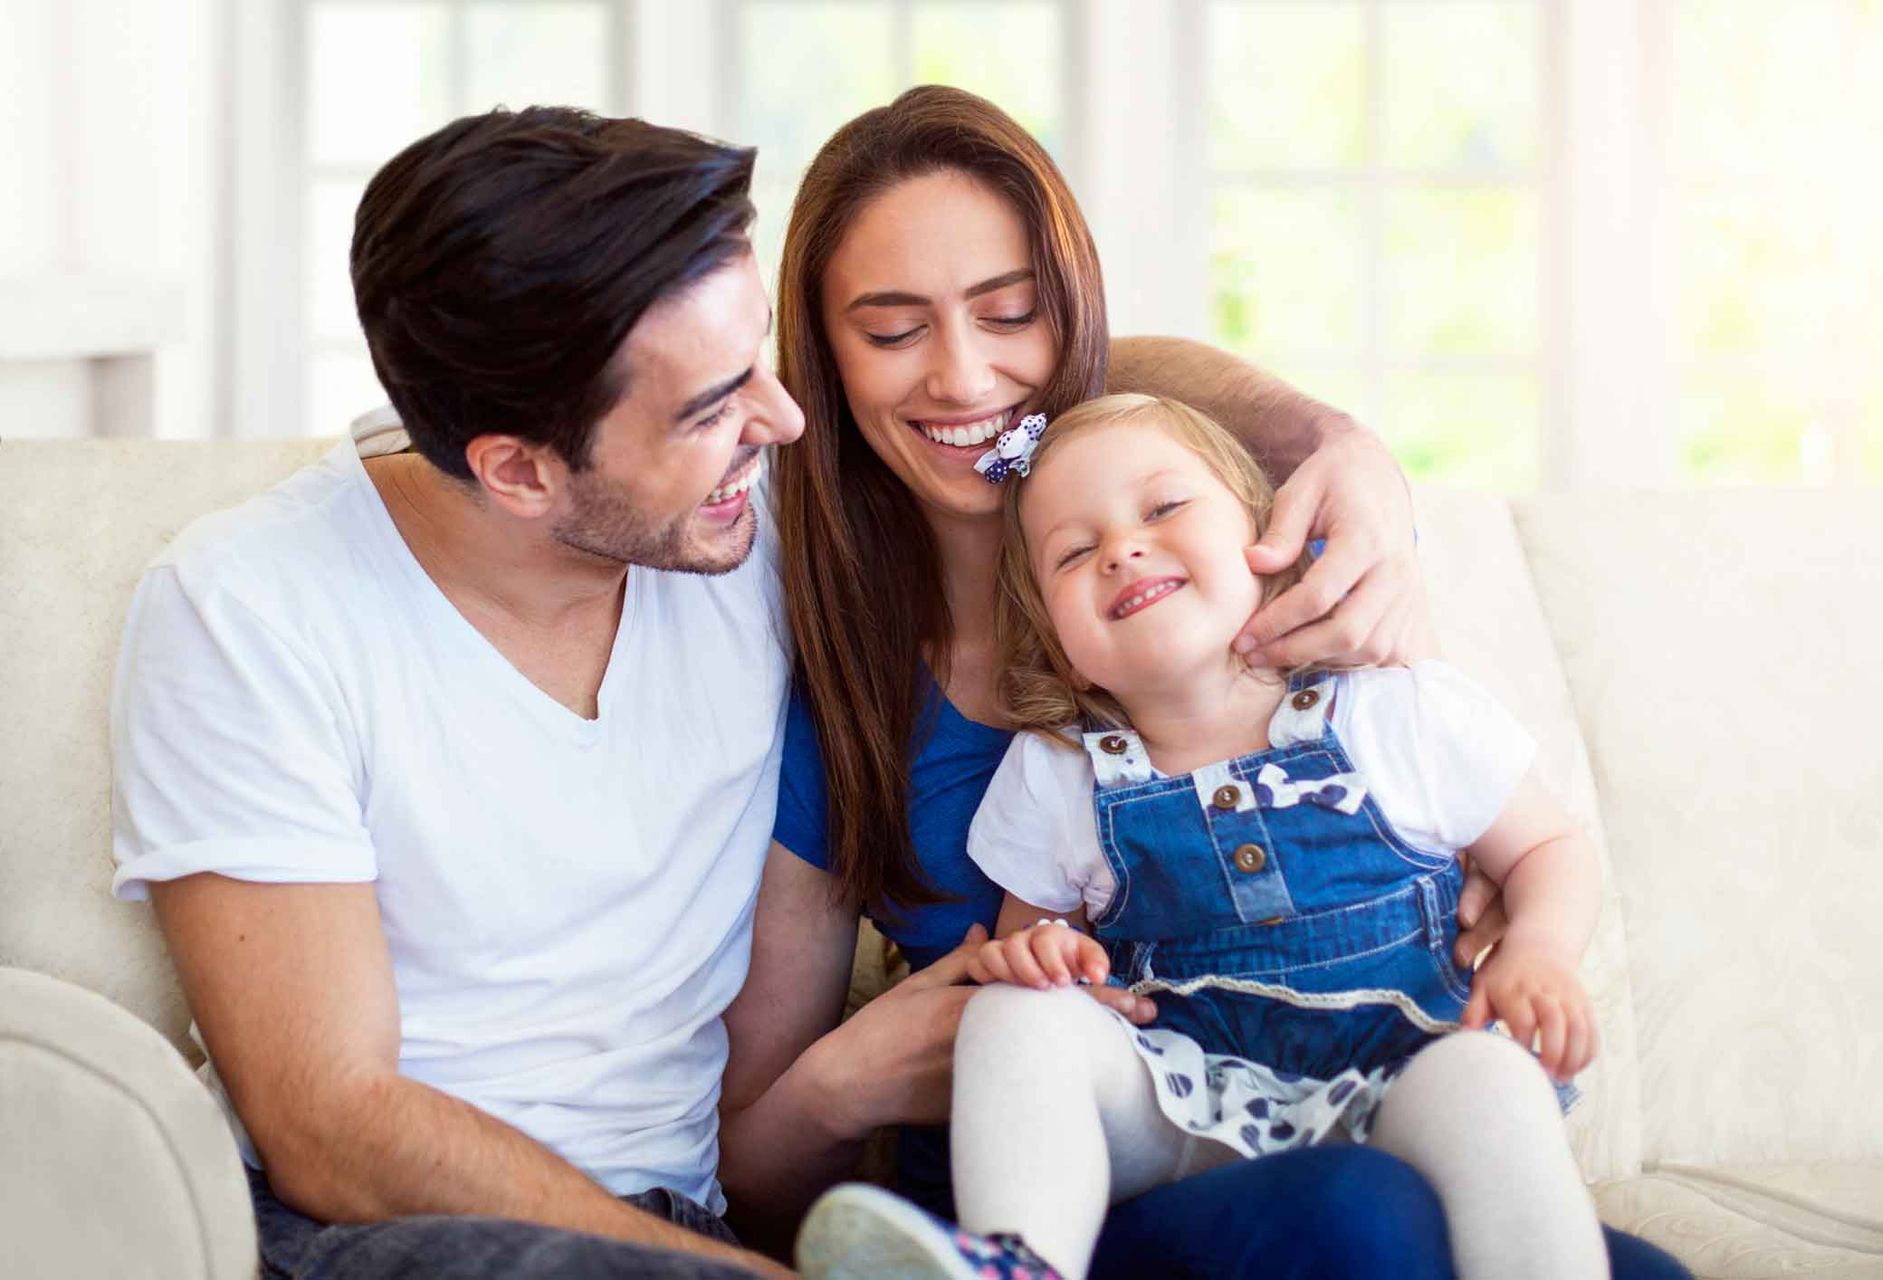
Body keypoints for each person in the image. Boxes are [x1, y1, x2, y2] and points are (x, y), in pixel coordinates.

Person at [713, 87, 1689, 1279]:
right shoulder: (873, 713)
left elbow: (1508, 824)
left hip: (1377, 1090)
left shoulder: (1291, 608)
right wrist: (856, 1073)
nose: (964, 375)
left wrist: (1352, 453)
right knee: (1359, 1214)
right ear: (821, 358)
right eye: (892, 330)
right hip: (1127, 1146)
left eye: (1009, 311)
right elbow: (753, 1157)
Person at [111, 108, 805, 1279]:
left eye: (760, 359)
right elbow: (332, 1128)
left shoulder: (751, 524)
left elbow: (1056, 433)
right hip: (368, 1233)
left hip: (672, 1235)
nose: (781, 420)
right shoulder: (248, 606)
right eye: (711, 408)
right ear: (520, 470)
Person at [793, 393, 1611, 1280]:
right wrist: (1040, 959)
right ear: (1054, 638)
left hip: (1407, 1076)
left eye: (1164, 506)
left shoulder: (1394, 710)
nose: (1122, 550)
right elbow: (1034, 939)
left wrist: (1538, 950)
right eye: (1074, 552)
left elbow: (1549, 846)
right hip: (1182, 1099)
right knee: (1013, 1015)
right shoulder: (1057, 770)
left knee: (1491, 1079)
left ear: (1268, 538)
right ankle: (1021, 1261)